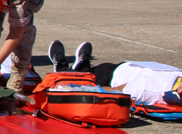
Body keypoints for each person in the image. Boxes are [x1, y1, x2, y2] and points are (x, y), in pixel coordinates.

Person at [49, 41, 182, 107]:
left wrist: (70, 87)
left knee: (85, 77)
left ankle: (61, 68)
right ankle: (82, 66)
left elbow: (109, 91)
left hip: (112, 77)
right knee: (92, 70)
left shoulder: (147, 89)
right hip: (130, 67)